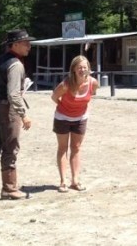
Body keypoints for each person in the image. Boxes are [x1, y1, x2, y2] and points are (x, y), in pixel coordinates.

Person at [0, 29, 35, 200]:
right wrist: (23, 114)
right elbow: (13, 94)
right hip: (7, 108)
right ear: (15, 44)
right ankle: (9, 188)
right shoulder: (16, 65)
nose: (29, 46)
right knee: (10, 147)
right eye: (25, 43)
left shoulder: (0, 62)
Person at [51, 55, 99, 192]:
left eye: (85, 67)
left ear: (89, 69)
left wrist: (79, 108)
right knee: (63, 148)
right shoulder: (66, 84)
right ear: (73, 70)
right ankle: (62, 181)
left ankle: (75, 180)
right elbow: (54, 96)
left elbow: (92, 95)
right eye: (79, 68)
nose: (82, 70)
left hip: (80, 118)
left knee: (76, 147)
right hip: (62, 117)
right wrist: (64, 107)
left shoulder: (93, 83)